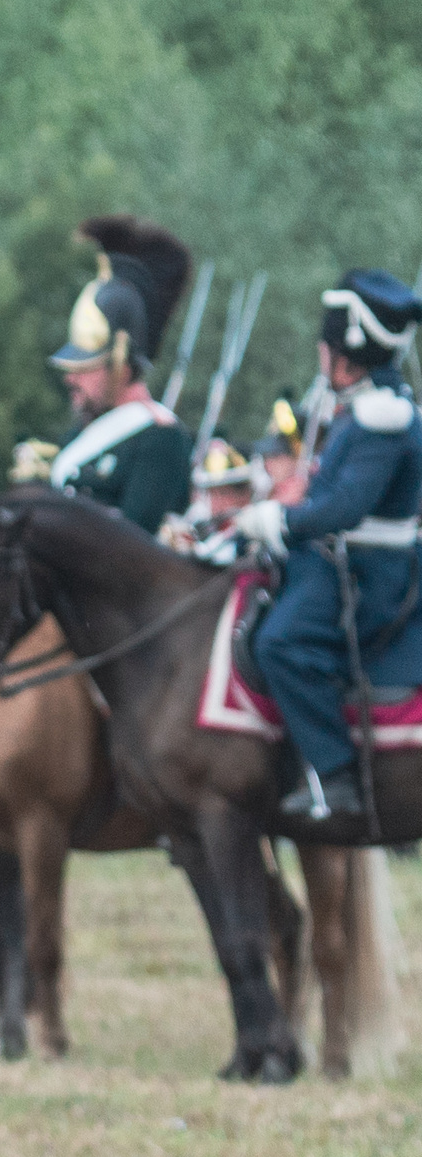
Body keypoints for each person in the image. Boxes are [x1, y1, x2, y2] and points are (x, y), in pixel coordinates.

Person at [232, 273, 422, 821]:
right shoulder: (361, 410)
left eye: (326, 349)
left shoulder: (381, 419)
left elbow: (344, 510)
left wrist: (279, 521)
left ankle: (335, 776)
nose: (320, 358)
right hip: (342, 562)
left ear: (346, 358)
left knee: (281, 644)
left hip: (369, 573)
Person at [35, 214, 194, 536]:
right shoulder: (79, 437)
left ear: (120, 365)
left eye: (84, 367)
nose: (71, 378)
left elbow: (131, 547)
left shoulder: (159, 440)